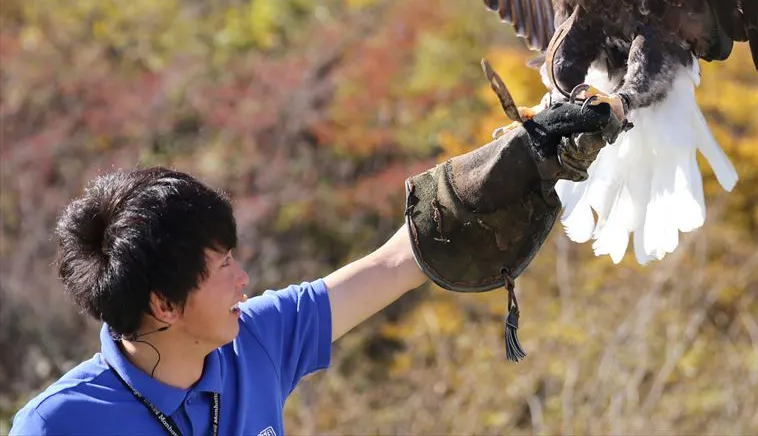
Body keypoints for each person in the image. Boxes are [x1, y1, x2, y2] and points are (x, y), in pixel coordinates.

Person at [11, 100, 619, 435]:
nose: (243, 280)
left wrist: (523, 151)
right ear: (164, 306)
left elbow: (397, 261)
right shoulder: (58, 427)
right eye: (221, 266)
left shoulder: (257, 339)